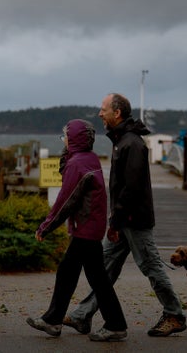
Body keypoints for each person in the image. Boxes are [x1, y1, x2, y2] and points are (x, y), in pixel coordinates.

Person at [63, 93, 187, 337]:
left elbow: (131, 189)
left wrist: (116, 220)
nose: (100, 114)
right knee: (105, 267)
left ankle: (174, 314)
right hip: (123, 219)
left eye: (103, 109)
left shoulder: (132, 143)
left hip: (134, 220)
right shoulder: (123, 140)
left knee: (150, 266)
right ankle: (82, 316)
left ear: (117, 113)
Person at [27, 119, 128, 342]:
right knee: (74, 273)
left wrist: (46, 226)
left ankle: (116, 325)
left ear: (74, 139)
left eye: (65, 136)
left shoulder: (77, 164)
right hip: (91, 225)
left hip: (85, 227)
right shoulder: (89, 158)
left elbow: (66, 201)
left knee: (90, 277)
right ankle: (54, 321)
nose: (63, 140)